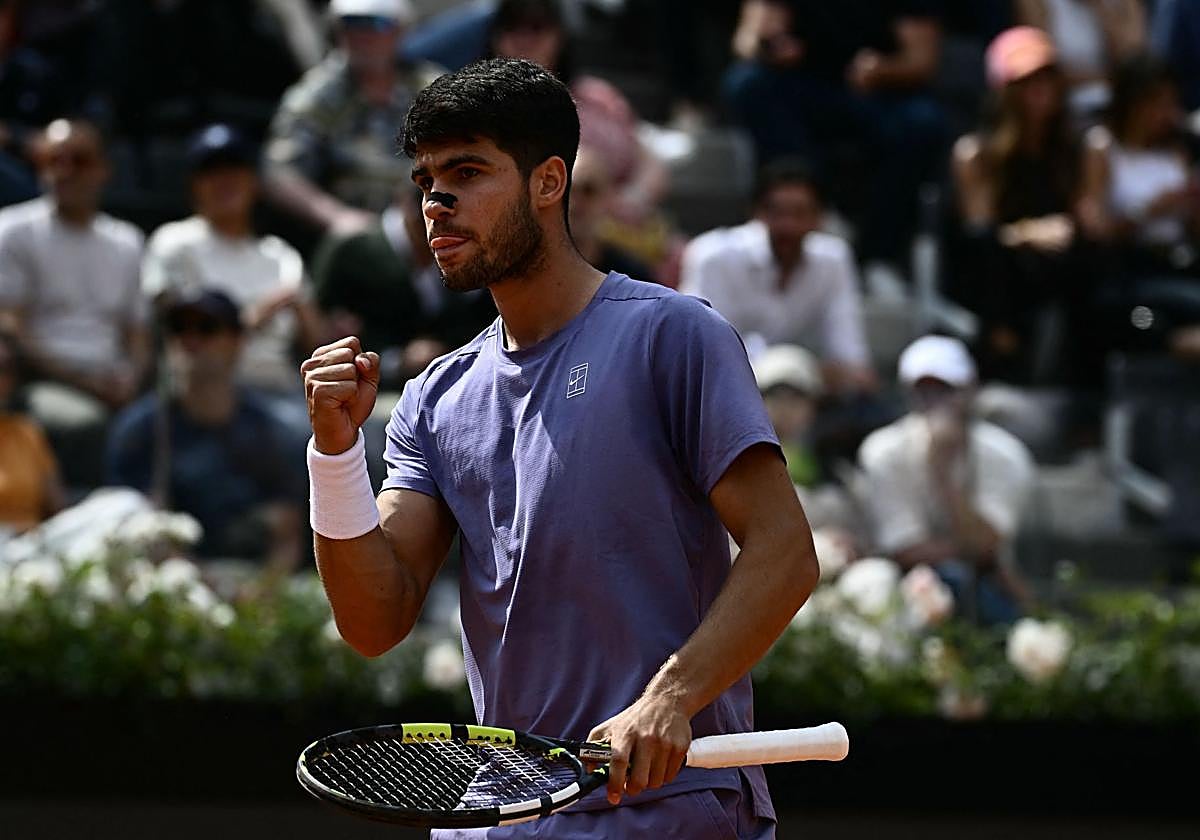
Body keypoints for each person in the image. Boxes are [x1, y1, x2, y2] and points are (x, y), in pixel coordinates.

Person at [302, 58, 818, 838]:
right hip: (501, 813)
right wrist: (336, 454)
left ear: (549, 183)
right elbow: (374, 620)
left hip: (664, 809)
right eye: (425, 179)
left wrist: (668, 699)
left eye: (467, 172)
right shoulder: (436, 396)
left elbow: (786, 550)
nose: (435, 203)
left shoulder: (673, 335)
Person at [721, 0, 947, 268]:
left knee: (923, 123)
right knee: (747, 84)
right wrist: (769, 48)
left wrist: (884, 70)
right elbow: (747, 39)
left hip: (880, 94)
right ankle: (814, 210)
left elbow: (921, 61)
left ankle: (879, 258)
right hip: (802, 88)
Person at [107, 289, 304, 581]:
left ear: (238, 342)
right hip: (173, 584)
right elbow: (137, 527)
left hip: (258, 583)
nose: (190, 341)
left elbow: (288, 530)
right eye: (178, 329)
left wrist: (262, 597)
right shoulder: (141, 431)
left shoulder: (268, 429)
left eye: (207, 329)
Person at [0, 118, 147, 489]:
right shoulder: (13, 230)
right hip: (41, 381)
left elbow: (138, 334)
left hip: (113, 381)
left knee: (159, 418)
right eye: (52, 159)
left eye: (78, 160)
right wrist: (83, 381)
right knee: (84, 422)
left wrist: (131, 377)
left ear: (103, 170)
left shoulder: (127, 241)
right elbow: (11, 329)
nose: (63, 171)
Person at [951, 26, 1098, 385]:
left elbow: (1088, 217)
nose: (1041, 89)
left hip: (1058, 262)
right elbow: (980, 228)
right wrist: (1027, 233)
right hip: (999, 271)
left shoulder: (1074, 150)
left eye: (1048, 77)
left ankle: (1082, 391)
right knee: (990, 253)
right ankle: (1001, 357)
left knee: (1092, 259)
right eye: (1030, 80)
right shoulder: (977, 155)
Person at [858, 335, 1034, 625]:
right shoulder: (882, 451)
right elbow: (904, 550)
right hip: (908, 587)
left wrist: (943, 475)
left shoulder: (1007, 456)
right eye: (923, 391)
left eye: (945, 389)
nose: (934, 402)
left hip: (985, 586)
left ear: (971, 389)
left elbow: (986, 543)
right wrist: (974, 551)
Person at [143, 123, 321, 396]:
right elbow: (183, 341)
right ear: (193, 185)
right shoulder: (174, 242)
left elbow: (316, 343)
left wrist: (308, 314)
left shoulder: (281, 254)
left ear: (255, 182)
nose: (224, 180)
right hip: (207, 393)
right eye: (211, 171)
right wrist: (256, 315)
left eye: (235, 169)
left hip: (283, 389)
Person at [678, 158, 877, 396]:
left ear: (819, 218)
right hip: (719, 395)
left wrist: (836, 374)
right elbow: (702, 353)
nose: (788, 225)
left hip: (802, 396)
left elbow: (850, 357)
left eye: (800, 213)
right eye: (777, 212)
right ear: (757, 214)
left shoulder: (834, 259)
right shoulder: (713, 256)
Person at [262, 0, 443, 236]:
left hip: (427, 222)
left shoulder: (428, 86)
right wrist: (336, 216)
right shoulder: (318, 96)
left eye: (376, 23)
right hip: (358, 234)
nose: (361, 34)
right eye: (350, 22)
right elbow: (279, 173)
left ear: (400, 30)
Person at [310, 183, 497, 387]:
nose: (433, 235)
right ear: (406, 206)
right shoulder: (353, 249)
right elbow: (320, 330)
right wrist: (396, 360)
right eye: (424, 223)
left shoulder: (467, 252)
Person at [1014, 0, 1146, 117]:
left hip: (1120, 110)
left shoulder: (1127, 4)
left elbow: (1134, 65)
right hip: (1067, 111)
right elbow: (1047, 70)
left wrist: (1098, 8)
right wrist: (1110, 78)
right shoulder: (1035, 4)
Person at [0, 329, 65, 536]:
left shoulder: (27, 431)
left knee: (123, 503)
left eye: (5, 369)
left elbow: (58, 510)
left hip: (33, 548)